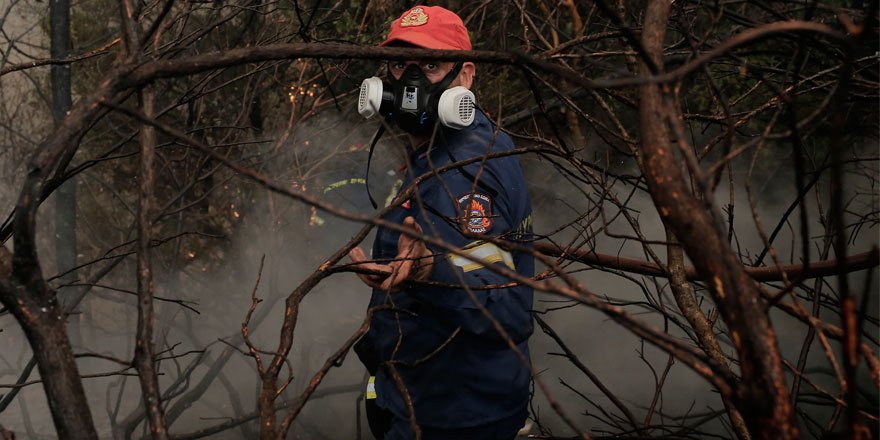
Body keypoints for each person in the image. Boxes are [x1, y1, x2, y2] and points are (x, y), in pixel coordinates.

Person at [349, 6, 534, 439]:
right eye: (399, 65)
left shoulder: (463, 174)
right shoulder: (466, 145)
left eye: (430, 65)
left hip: (452, 414)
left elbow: (507, 314)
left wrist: (432, 270)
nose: (409, 84)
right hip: (434, 397)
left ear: (465, 77)